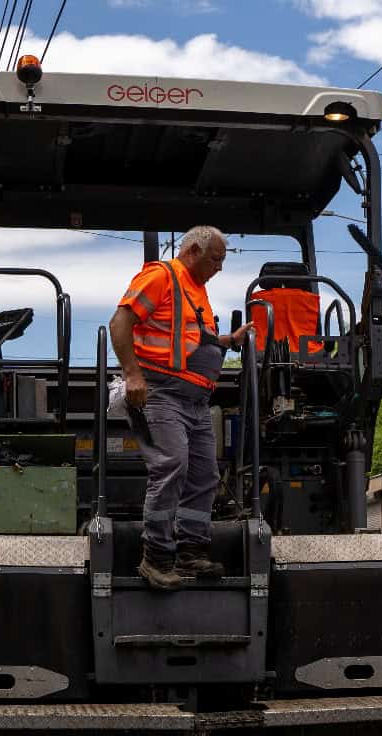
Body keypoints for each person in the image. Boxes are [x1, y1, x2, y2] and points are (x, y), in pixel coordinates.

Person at [108, 225, 253, 591]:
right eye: (216, 259)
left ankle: (191, 550)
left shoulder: (196, 290)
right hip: (160, 393)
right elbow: (120, 321)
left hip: (197, 402)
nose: (220, 267)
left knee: (205, 476)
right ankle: (155, 558)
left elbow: (192, 336)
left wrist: (227, 341)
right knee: (171, 465)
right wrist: (132, 375)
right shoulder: (161, 276)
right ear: (192, 250)